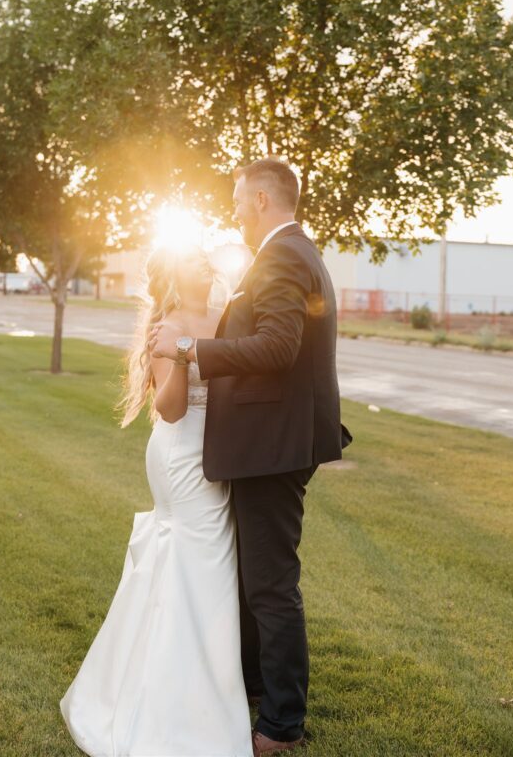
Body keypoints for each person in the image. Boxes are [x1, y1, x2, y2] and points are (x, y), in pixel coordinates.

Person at [150, 157, 350, 756]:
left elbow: (278, 346)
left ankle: (282, 724)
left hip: (274, 446)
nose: (233, 210)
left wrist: (188, 347)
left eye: (238, 199)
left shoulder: (285, 255)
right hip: (269, 442)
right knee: (253, 580)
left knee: (270, 584)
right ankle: (256, 685)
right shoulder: (286, 253)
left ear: (261, 199)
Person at [59, 244, 254, 757]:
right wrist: (172, 356)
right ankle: (175, 700)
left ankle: (202, 680)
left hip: (220, 453)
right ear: (172, 273)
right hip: (180, 453)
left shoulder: (227, 313)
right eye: (193, 259)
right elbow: (168, 410)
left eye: (205, 258)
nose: (205, 263)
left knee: (206, 566)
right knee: (198, 560)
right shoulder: (164, 323)